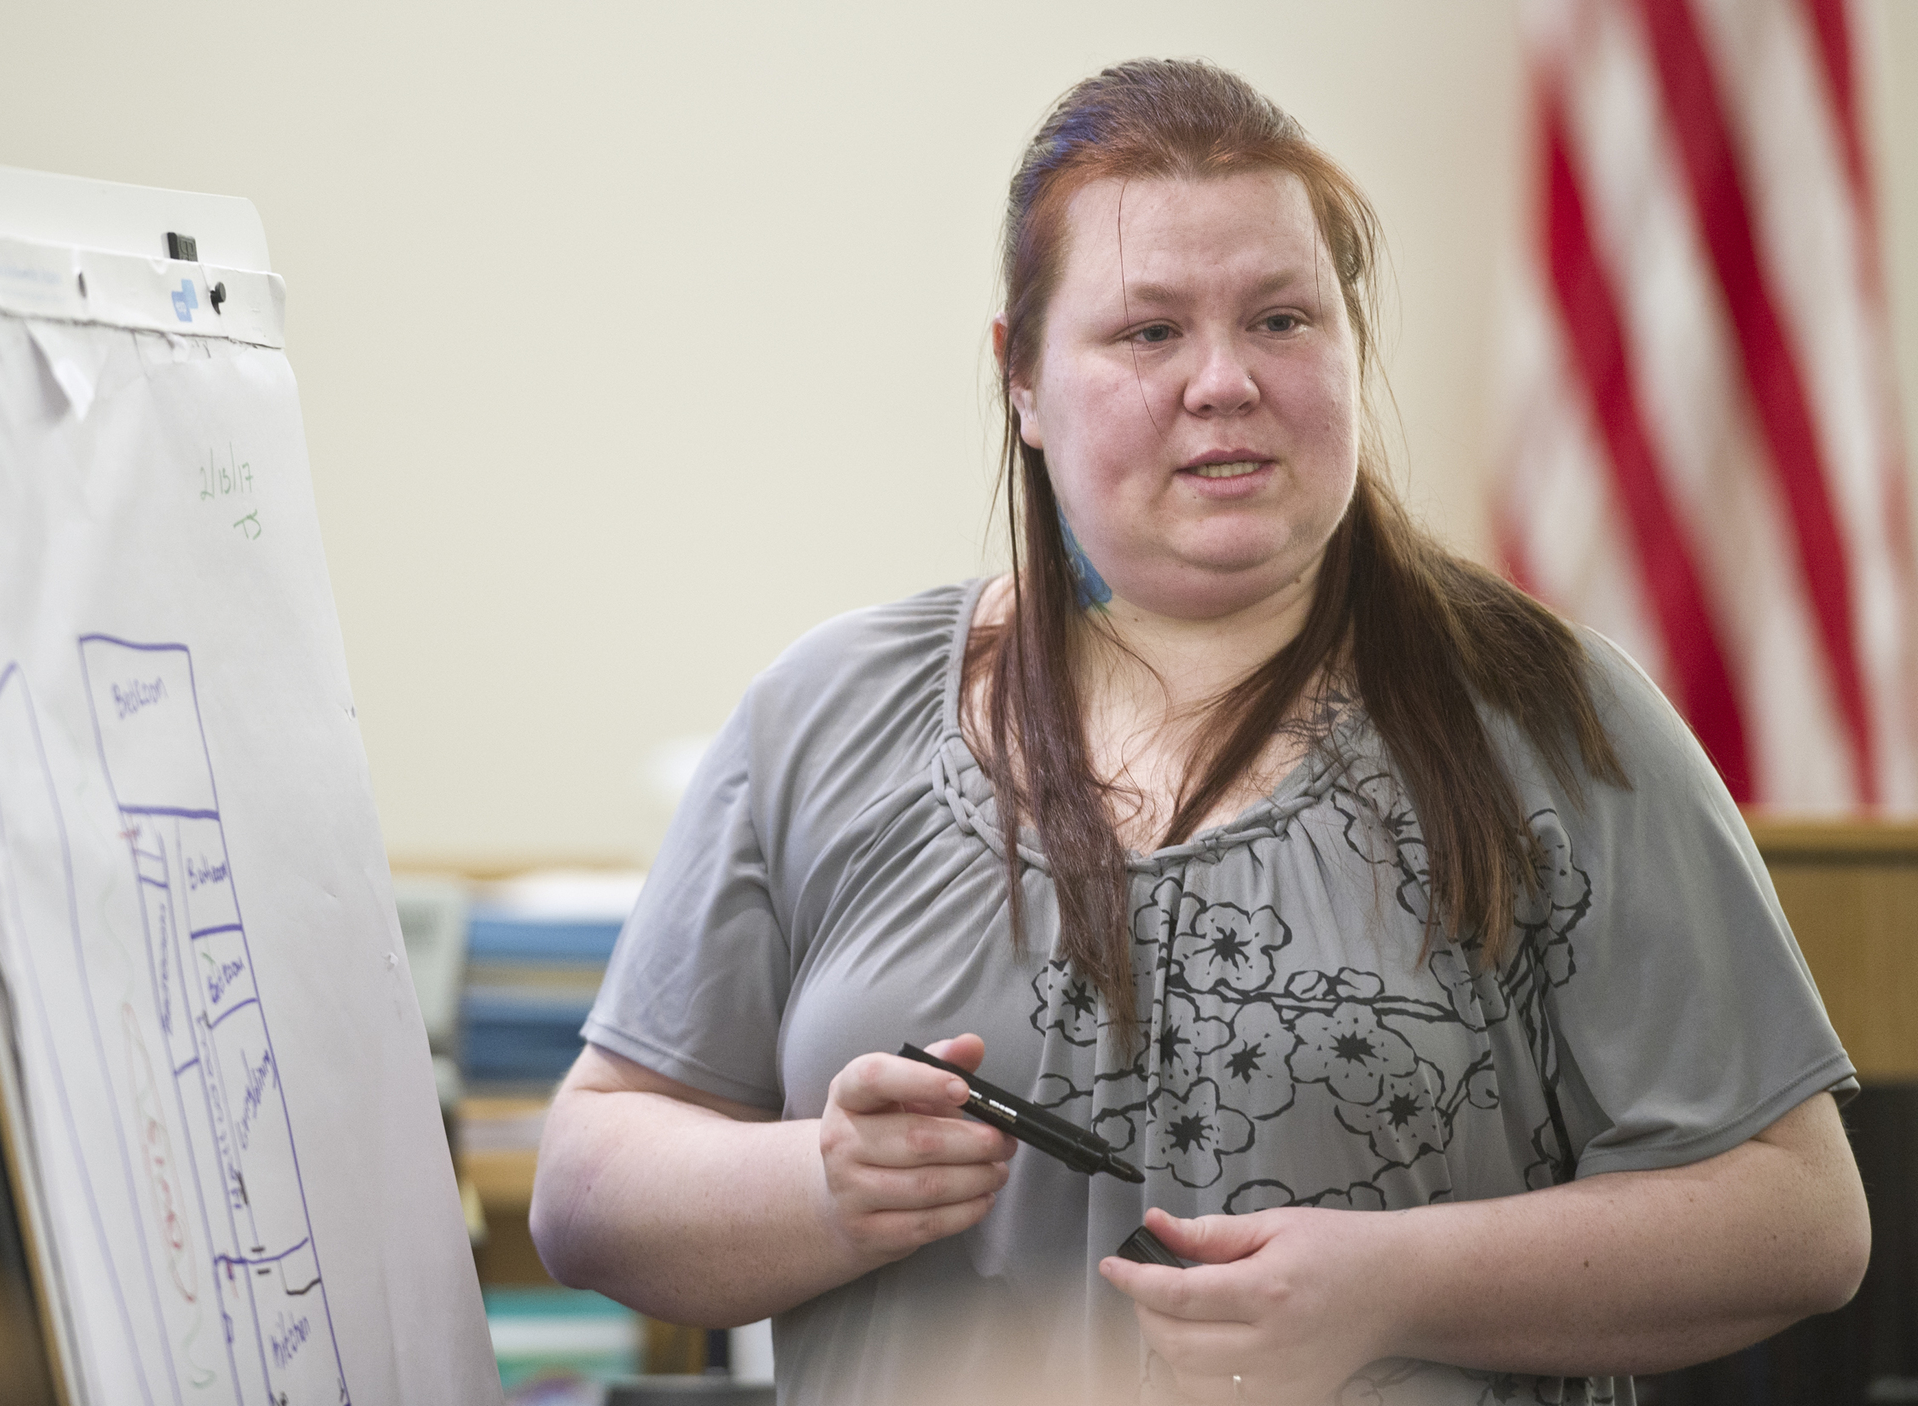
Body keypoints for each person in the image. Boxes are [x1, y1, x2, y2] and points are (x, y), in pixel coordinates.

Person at [530, 59, 1870, 1405]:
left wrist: (1388, 1285)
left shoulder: (1550, 714)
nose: (1224, 380)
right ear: (1023, 380)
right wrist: (820, 1181)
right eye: (1149, 331)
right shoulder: (827, 714)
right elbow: (587, 1185)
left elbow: (1798, 1216)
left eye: (1282, 319)